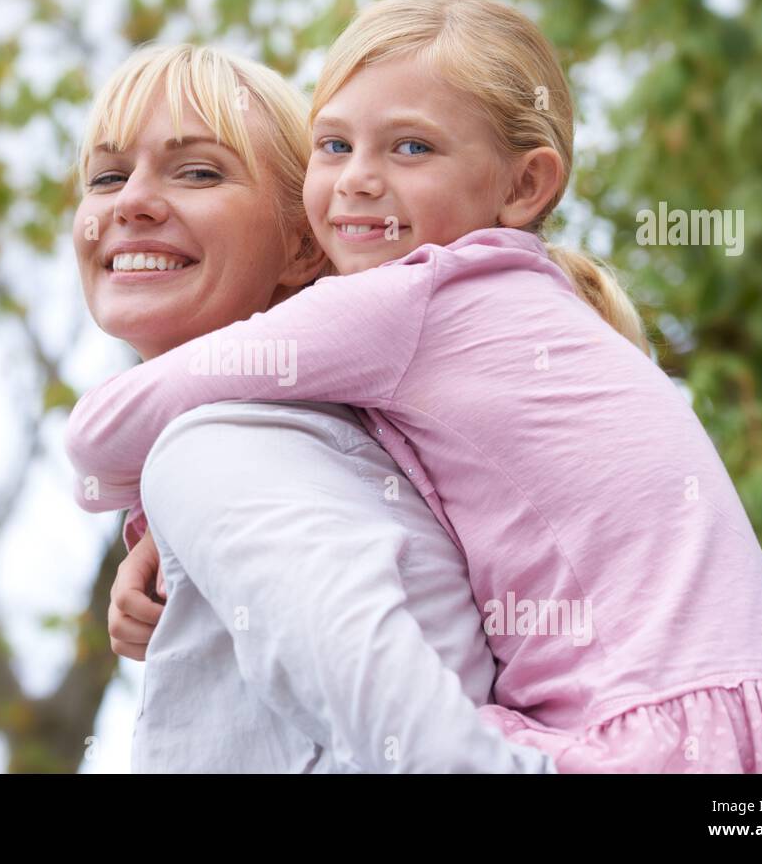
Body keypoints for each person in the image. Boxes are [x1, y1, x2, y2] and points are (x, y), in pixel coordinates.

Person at [67, 0, 762, 773]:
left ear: (524, 185)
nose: (358, 179)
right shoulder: (494, 314)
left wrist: (167, 490)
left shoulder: (406, 303)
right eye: (333, 145)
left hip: (651, 734)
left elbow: (98, 435)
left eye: (411, 148)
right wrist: (170, 529)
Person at [73, 42, 554, 773]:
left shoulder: (222, 448)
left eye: (198, 171)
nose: (130, 201)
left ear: (303, 245)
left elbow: (424, 746)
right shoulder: (290, 448)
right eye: (107, 176)